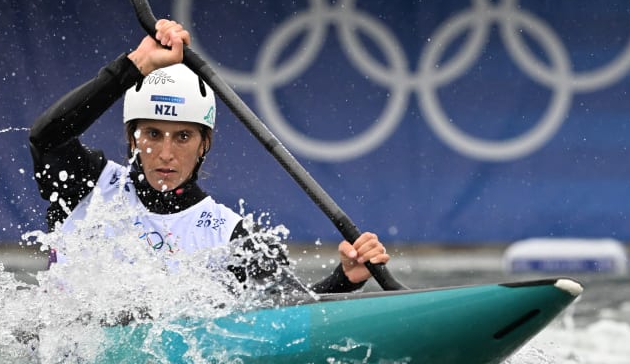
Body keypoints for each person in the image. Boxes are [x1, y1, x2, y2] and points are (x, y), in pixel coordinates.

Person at [27, 19, 390, 294]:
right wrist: (135, 65)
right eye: (153, 134)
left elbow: (286, 316)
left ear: (204, 144)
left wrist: (343, 279)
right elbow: (46, 136)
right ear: (132, 136)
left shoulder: (233, 236)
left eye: (183, 136)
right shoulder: (86, 185)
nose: (166, 153)